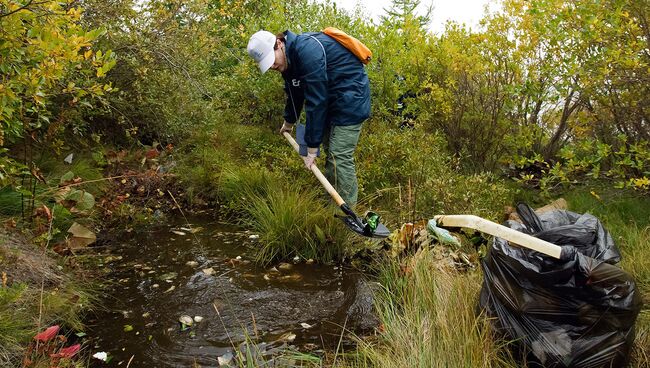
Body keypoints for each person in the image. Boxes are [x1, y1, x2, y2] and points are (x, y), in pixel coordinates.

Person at [246, 29, 370, 207]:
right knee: (330, 153)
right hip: (331, 98)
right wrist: (288, 122)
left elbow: (315, 101)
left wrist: (311, 148)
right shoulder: (289, 61)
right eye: (267, 63)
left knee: (339, 155)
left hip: (351, 97)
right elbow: (295, 93)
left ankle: (348, 210)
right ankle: (335, 202)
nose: (272, 66)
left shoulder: (307, 52)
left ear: (279, 44)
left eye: (271, 60)